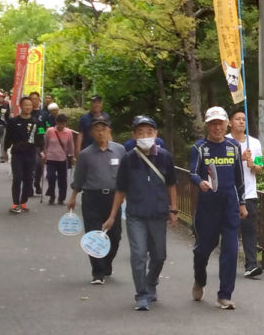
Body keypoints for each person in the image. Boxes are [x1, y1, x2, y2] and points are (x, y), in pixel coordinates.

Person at [103, 115, 178, 311]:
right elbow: (120, 189)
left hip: (158, 213)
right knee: (138, 255)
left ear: (155, 134)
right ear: (134, 136)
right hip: (135, 214)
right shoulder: (128, 159)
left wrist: (174, 209)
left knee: (159, 255)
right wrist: (112, 216)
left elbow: (171, 184)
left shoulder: (164, 157)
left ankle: (151, 282)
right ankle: (142, 294)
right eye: (140, 132)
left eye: (149, 132)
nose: (145, 136)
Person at [189, 106, 248, 309]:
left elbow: (242, 177)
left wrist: (242, 203)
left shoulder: (236, 146)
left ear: (226, 125)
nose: (216, 128)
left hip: (230, 203)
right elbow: (193, 172)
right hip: (208, 206)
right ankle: (200, 279)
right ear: (207, 125)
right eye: (212, 124)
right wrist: (200, 182)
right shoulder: (199, 147)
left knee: (230, 251)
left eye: (220, 124)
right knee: (203, 250)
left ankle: (224, 295)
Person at [68, 115, 125, 285]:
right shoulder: (85, 154)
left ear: (109, 131)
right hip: (92, 197)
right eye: (96, 129)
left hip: (114, 198)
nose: (100, 132)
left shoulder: (120, 150)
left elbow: (126, 175)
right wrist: (73, 197)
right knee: (93, 235)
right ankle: (97, 272)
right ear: (92, 132)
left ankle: (106, 263)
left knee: (115, 236)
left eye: (103, 129)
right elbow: (79, 177)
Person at [228, 107, 264, 280]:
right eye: (237, 119)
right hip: (229, 193)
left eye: (243, 119)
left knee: (249, 231)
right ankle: (227, 262)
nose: (241, 122)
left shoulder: (254, 143)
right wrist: (239, 158)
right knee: (230, 231)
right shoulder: (225, 142)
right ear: (229, 123)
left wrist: (252, 165)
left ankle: (251, 265)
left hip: (249, 194)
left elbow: (259, 167)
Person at [4, 95, 44, 213]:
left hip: (31, 153)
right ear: (21, 106)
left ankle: (23, 201)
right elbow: (8, 137)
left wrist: (42, 150)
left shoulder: (37, 122)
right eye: (25, 105)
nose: (28, 107)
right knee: (17, 177)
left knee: (28, 178)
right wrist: (5, 150)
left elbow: (41, 136)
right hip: (17, 153)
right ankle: (15, 203)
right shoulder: (13, 121)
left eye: (30, 105)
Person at [43, 113, 76, 204]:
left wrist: (72, 156)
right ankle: (52, 195)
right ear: (56, 122)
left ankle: (61, 198)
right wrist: (44, 153)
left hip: (62, 158)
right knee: (51, 177)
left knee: (62, 180)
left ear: (65, 123)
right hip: (51, 158)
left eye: (63, 124)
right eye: (59, 123)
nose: (61, 126)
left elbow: (71, 145)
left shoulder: (68, 132)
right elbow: (45, 143)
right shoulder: (50, 131)